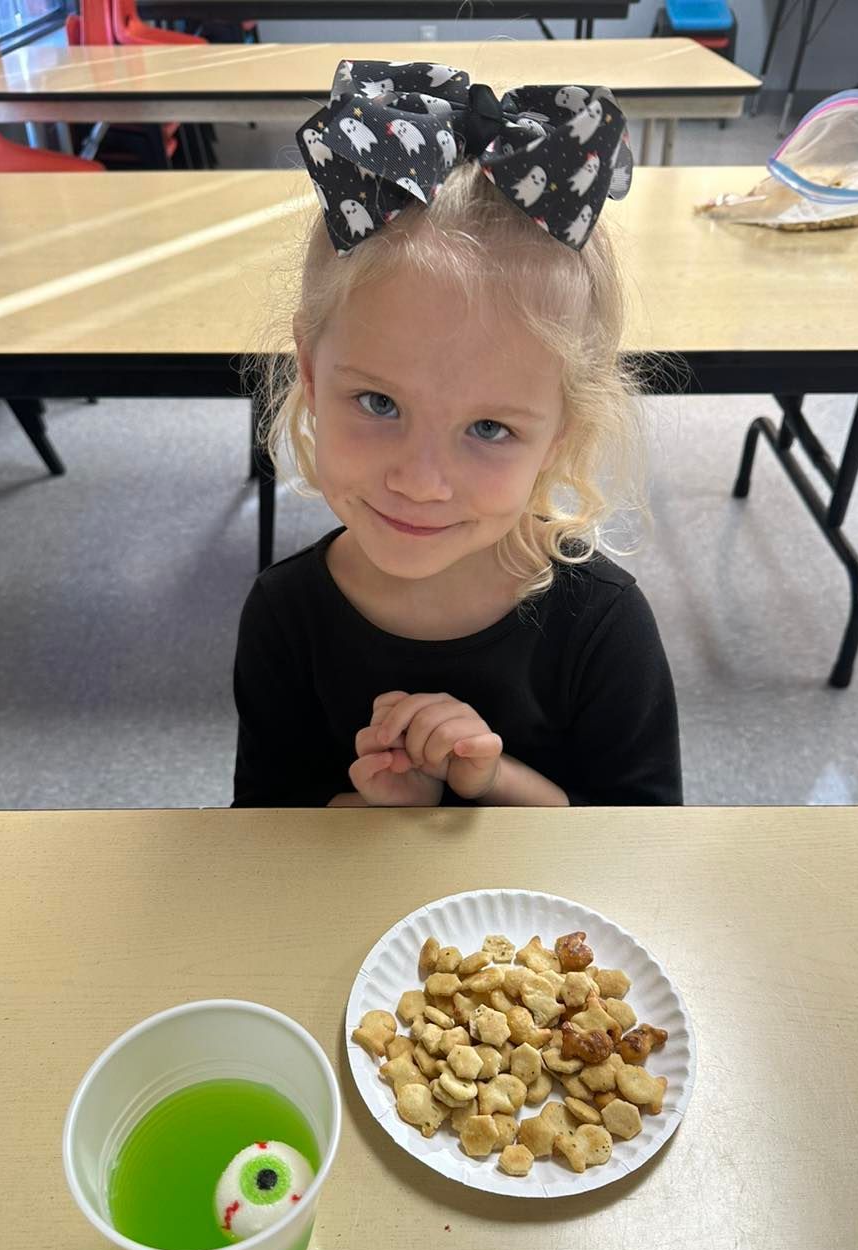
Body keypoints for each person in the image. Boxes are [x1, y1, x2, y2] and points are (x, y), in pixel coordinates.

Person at [232, 61, 681, 808]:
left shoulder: (604, 626)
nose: (420, 480)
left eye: (489, 427)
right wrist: (379, 811)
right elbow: (266, 841)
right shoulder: (285, 618)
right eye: (378, 403)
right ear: (310, 374)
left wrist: (491, 782)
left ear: (562, 431)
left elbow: (638, 855)